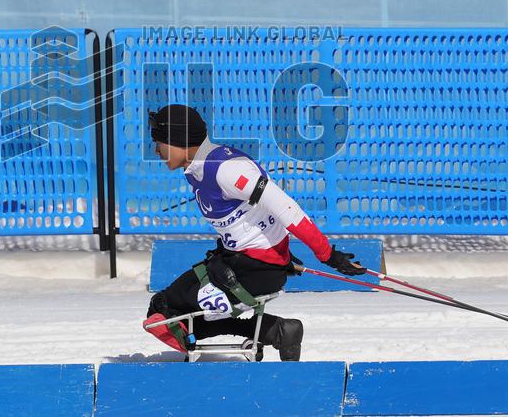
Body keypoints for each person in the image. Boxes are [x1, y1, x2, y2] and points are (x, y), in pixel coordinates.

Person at [143, 104, 366, 361]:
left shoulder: (227, 169)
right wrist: (282, 255)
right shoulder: (197, 168)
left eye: (159, 142)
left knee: (162, 313)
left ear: (178, 139)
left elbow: (286, 208)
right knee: (164, 313)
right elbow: (254, 218)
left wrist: (328, 255)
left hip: (252, 269)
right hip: (243, 262)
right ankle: (276, 331)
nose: (157, 151)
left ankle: (268, 334)